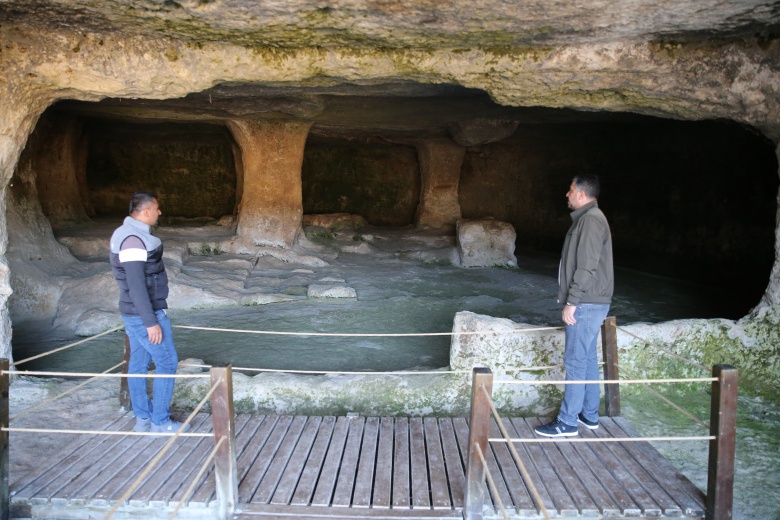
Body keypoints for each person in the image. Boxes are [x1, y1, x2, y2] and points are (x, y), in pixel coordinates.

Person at [535, 175, 614, 437]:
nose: (566, 195)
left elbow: (587, 266)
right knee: (588, 358)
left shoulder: (591, 220)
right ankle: (589, 415)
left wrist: (572, 302)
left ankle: (567, 422)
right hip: (592, 302)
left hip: (587, 303)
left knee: (576, 361)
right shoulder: (589, 218)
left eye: (570, 190)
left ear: (581, 194)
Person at [110, 192, 190, 435]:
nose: (159, 212)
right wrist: (151, 322)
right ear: (145, 211)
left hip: (134, 314)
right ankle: (160, 422)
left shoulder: (128, 234)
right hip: (143, 314)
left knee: (138, 364)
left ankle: (143, 418)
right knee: (167, 362)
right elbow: (136, 285)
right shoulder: (133, 240)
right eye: (157, 208)